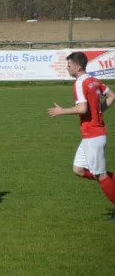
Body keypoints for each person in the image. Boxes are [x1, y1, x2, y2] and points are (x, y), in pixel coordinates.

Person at [48, 51, 115, 221]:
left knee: (100, 175)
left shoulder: (79, 83)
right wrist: (99, 110)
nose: (67, 68)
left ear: (77, 66)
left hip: (93, 134)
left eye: (69, 65)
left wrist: (61, 111)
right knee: (78, 169)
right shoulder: (93, 80)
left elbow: (82, 109)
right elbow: (112, 96)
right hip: (92, 134)